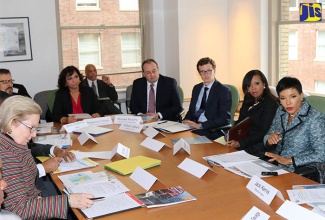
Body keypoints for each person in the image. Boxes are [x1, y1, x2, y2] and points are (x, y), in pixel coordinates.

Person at [0, 95, 95, 219]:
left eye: (36, 128)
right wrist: (69, 201)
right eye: (31, 128)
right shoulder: (6, 155)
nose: (34, 134)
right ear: (12, 121)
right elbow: (19, 209)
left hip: (36, 202)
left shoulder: (12, 143)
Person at [264, 77, 325, 172]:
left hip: (298, 171)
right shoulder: (281, 111)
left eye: (293, 96)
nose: (288, 103)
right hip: (274, 165)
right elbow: (269, 133)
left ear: (301, 95)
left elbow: (322, 154)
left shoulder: (315, 118)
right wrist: (269, 139)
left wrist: (289, 160)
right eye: (283, 98)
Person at [226, 70, 279, 157]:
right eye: (249, 85)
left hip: (260, 145)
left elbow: (262, 133)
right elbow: (241, 122)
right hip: (245, 140)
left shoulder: (270, 103)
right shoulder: (248, 98)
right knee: (221, 150)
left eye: (257, 83)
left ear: (264, 84)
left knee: (230, 155)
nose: (253, 88)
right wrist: (230, 134)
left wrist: (240, 143)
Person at [183, 57, 232, 139]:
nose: (205, 75)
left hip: (210, 129)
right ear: (199, 73)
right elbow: (192, 111)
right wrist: (185, 120)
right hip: (193, 126)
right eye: (202, 72)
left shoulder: (223, 90)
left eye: (208, 71)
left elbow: (224, 118)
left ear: (214, 71)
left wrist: (201, 125)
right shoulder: (196, 88)